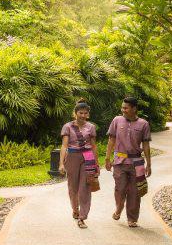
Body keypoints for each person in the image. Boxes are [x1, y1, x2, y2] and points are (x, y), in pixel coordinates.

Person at [104, 96, 151, 227]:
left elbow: (146, 145)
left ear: (134, 109)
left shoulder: (144, 124)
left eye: (126, 108)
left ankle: (132, 219)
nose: (123, 110)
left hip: (137, 162)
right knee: (120, 188)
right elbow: (111, 140)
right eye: (122, 107)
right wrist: (107, 158)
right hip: (119, 161)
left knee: (135, 192)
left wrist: (149, 164)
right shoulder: (117, 120)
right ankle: (119, 207)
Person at [58, 100, 98, 228]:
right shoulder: (68, 126)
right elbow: (64, 146)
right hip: (72, 156)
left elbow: (93, 146)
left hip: (88, 157)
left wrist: (97, 164)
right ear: (75, 113)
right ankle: (75, 209)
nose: (83, 115)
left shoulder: (91, 127)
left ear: (88, 114)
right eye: (81, 113)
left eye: (86, 113)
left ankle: (82, 217)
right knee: (73, 187)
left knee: (85, 187)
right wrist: (61, 164)